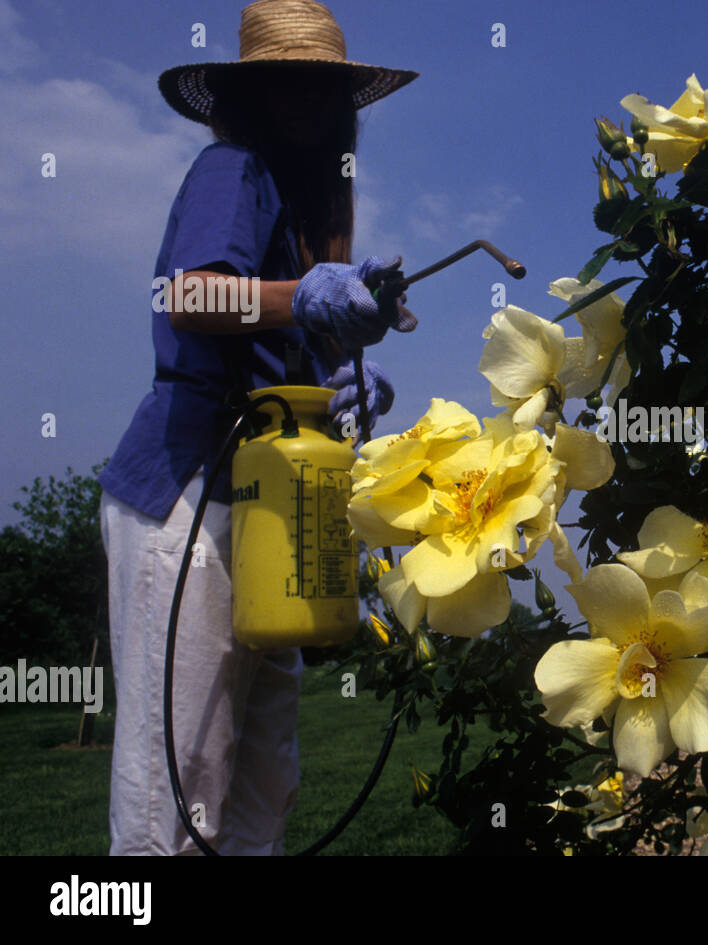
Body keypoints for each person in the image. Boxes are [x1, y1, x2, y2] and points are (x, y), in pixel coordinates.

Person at [97, 0, 418, 855]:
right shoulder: (230, 169)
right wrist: (305, 297)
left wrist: (343, 384)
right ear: (248, 93)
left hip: (271, 506)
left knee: (265, 777)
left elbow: (280, 346)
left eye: (321, 84)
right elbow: (191, 296)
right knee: (177, 780)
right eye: (283, 80)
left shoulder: (306, 211)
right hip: (187, 494)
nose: (303, 98)